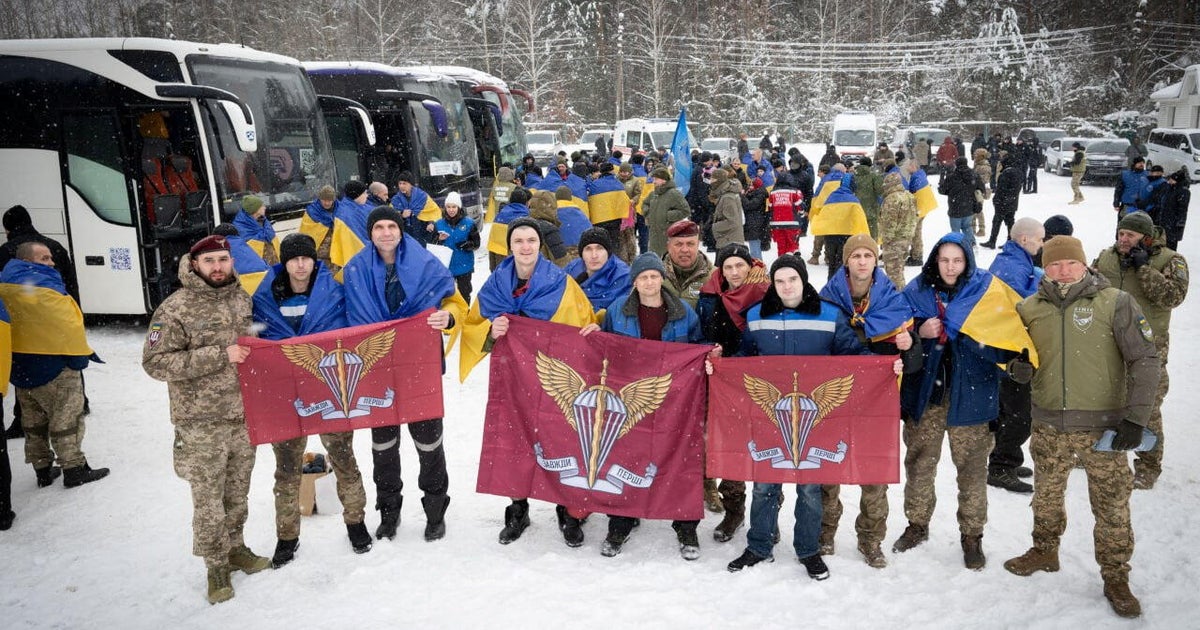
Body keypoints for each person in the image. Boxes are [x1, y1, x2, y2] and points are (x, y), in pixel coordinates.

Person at [1005, 235, 1160, 620]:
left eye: (1070, 263)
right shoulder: (1029, 308)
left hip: (1103, 429)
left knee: (1111, 505)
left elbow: (1145, 360)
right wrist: (1015, 368)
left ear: (1084, 263)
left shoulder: (1115, 303)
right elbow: (1014, 354)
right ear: (1045, 267)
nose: (1062, 270)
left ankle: (1116, 576)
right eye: (1054, 264)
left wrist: (1136, 418)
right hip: (1048, 424)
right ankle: (1045, 550)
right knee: (1046, 495)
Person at [724, 254, 898, 580]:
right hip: (770, 417)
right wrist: (720, 365)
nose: (787, 286)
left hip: (813, 420)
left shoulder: (829, 315)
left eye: (793, 279)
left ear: (803, 281)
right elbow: (743, 358)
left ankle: (808, 550)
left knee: (809, 489)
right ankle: (759, 545)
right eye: (780, 281)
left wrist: (885, 366)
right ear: (773, 284)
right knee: (764, 486)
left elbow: (853, 356)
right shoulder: (757, 315)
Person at [142, 234, 270, 604]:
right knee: (208, 498)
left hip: (242, 415)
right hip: (200, 422)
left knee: (237, 491)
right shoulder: (175, 308)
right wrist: (218, 355)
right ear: (194, 264)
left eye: (222, 260)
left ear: (232, 263)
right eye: (209, 261)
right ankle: (215, 566)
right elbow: (154, 362)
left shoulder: (242, 299)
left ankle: (236, 548)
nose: (217, 267)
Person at [458, 217, 597, 545]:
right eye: (518, 241)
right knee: (514, 438)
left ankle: (567, 507)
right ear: (509, 246)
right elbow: (472, 325)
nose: (525, 247)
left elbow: (584, 326)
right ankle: (518, 508)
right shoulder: (495, 285)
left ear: (539, 244)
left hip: (553, 378)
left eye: (531, 240)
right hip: (512, 376)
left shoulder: (562, 284)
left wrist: (594, 329)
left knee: (560, 439)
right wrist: (490, 330)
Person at [895, 233, 1024, 569]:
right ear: (934, 261)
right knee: (920, 464)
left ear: (967, 261)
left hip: (974, 395)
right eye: (944, 260)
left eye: (957, 260)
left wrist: (973, 335)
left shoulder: (986, 291)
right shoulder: (917, 291)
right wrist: (920, 331)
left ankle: (972, 535)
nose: (950, 267)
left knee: (972, 470)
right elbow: (895, 331)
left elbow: (1007, 337)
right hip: (928, 395)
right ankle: (917, 523)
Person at [249, 233, 373, 566]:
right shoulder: (265, 297)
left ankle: (356, 522)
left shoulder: (333, 292)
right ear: (284, 262)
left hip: (327, 389)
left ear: (313, 260)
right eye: (294, 259)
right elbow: (254, 336)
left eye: (305, 258)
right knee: (286, 468)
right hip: (284, 393)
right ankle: (287, 536)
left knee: (344, 458)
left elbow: (352, 328)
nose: (301, 265)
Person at [343, 206, 464, 541]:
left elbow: (455, 302)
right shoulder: (355, 269)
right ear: (370, 233)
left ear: (401, 230)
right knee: (383, 447)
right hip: (376, 367)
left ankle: (435, 510)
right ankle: (389, 511)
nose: (386, 233)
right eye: (379, 227)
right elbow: (344, 314)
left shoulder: (426, 263)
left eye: (391, 226)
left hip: (418, 366)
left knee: (429, 443)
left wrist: (449, 317)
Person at [582, 252, 708, 560]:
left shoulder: (683, 312)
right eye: (643, 278)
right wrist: (597, 334)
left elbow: (696, 347)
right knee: (625, 456)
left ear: (661, 279)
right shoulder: (618, 310)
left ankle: (685, 524)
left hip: (674, 397)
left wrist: (707, 356)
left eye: (654, 276)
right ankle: (621, 521)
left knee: (680, 458)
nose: (649, 282)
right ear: (634, 282)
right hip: (632, 396)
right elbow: (606, 348)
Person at [817, 235, 921, 568]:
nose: (862, 261)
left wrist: (909, 345)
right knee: (827, 469)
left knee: (874, 473)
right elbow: (815, 350)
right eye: (856, 256)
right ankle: (824, 532)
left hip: (877, 405)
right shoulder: (826, 300)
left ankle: (871, 539)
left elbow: (914, 364)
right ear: (846, 261)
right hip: (834, 400)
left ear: (876, 260)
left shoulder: (893, 301)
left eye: (868, 255)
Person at [2, 239, 109, 490]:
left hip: (21, 366)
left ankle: (42, 468)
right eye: (44, 258)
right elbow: (68, 327)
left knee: (33, 421)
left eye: (50, 258)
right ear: (26, 261)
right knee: (66, 417)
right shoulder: (45, 287)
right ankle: (74, 469)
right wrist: (78, 359)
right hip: (55, 364)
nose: (51, 263)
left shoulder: (4, 286)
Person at [1092, 211, 1188, 490]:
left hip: (1148, 347)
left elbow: (1173, 297)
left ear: (1146, 238)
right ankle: (1096, 453)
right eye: (1121, 233)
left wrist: (1144, 269)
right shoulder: (1106, 257)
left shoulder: (1170, 260)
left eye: (1130, 235)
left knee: (1147, 406)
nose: (1123, 239)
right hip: (1109, 342)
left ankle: (1148, 466)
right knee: (1102, 399)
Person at [696, 243, 770, 539]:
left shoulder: (766, 294)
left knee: (760, 449)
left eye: (740, 265)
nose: (735, 272)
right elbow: (700, 332)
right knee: (724, 443)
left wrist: (740, 359)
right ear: (721, 270)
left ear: (750, 267)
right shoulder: (709, 294)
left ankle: (766, 517)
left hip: (755, 381)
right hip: (717, 380)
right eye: (728, 266)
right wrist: (709, 349)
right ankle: (733, 510)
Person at [985, 217, 1045, 494]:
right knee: (1021, 414)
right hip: (1010, 349)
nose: (1042, 244)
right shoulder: (1012, 267)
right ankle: (1001, 466)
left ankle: (1004, 455)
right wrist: (1040, 284)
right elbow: (1021, 308)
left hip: (1008, 347)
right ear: (1024, 239)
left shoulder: (1015, 261)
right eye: (1040, 239)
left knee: (1009, 409)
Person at [810, 168, 869, 279]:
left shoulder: (831, 196)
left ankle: (831, 284)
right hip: (846, 237)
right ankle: (841, 286)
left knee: (831, 264)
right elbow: (860, 220)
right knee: (842, 264)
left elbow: (824, 214)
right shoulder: (853, 199)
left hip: (830, 237)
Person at [563, 227, 631, 313]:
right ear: (581, 254)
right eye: (588, 249)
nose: (594, 255)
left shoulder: (623, 277)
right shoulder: (572, 268)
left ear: (608, 252)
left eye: (600, 248)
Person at [435, 191, 480, 304]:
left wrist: (467, 245)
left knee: (464, 294)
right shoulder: (439, 224)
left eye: (454, 207)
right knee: (447, 297)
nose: (451, 210)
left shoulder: (469, 223)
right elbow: (433, 246)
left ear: (459, 207)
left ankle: (465, 313)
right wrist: (439, 240)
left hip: (464, 266)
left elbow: (476, 243)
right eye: (448, 207)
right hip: (446, 267)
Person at [879, 172, 918, 291]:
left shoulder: (891, 199)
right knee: (899, 269)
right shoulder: (909, 196)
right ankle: (901, 293)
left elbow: (889, 223)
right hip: (906, 238)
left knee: (893, 273)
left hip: (894, 240)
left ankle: (898, 296)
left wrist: (885, 240)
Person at [938, 156, 985, 250]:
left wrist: (950, 190)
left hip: (955, 207)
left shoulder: (951, 177)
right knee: (967, 227)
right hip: (969, 206)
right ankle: (972, 244)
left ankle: (958, 247)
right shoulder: (974, 175)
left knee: (955, 230)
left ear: (956, 164)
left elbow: (942, 190)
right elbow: (981, 189)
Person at [643, 168, 691, 257]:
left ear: (664, 180)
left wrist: (668, 216)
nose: (654, 182)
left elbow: (685, 211)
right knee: (655, 259)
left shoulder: (674, 194)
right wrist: (648, 213)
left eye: (656, 179)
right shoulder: (654, 194)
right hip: (654, 236)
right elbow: (645, 203)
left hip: (667, 235)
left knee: (668, 260)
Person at [981, 155, 1022, 249]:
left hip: (1002, 203)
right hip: (1013, 202)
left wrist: (996, 200)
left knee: (997, 222)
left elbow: (1001, 190)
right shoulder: (1018, 173)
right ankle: (1010, 242)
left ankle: (992, 241)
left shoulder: (1006, 174)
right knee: (1010, 222)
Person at [487, 187, 532, 271]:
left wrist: (493, 267)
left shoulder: (499, 216)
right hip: (518, 260)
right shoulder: (526, 217)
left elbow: (493, 243)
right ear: (526, 202)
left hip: (499, 258)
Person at [390, 171, 440, 245]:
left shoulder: (422, 197)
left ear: (411, 184)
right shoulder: (395, 200)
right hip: (404, 236)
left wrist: (431, 223)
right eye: (400, 183)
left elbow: (433, 211)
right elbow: (390, 217)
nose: (401, 186)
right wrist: (401, 215)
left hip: (422, 234)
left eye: (404, 183)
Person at [298, 185, 338, 262]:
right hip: (320, 255)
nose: (326, 203)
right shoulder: (311, 212)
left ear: (333, 200)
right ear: (319, 199)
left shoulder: (341, 210)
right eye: (324, 200)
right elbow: (305, 235)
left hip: (338, 254)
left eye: (329, 200)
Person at [709, 168, 745, 250]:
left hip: (729, 241)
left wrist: (713, 227)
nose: (711, 182)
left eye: (713, 179)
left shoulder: (727, 197)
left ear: (719, 180)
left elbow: (732, 221)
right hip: (728, 240)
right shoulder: (724, 194)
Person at [1157, 168, 1190, 250]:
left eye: (1172, 179)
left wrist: (1180, 223)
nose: (1169, 181)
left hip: (1173, 224)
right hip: (1165, 220)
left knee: (1170, 245)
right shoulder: (1170, 189)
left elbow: (1182, 209)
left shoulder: (1183, 191)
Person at [854, 157, 884, 239]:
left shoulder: (853, 176)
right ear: (870, 165)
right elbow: (880, 191)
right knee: (872, 236)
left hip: (857, 210)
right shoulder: (874, 176)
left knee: (858, 235)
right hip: (871, 210)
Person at [971, 149, 992, 237]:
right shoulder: (978, 164)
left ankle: (981, 229)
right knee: (973, 210)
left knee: (978, 210)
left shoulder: (984, 166)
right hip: (976, 189)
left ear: (982, 156)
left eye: (977, 155)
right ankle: (973, 229)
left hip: (980, 190)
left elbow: (984, 180)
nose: (975, 156)